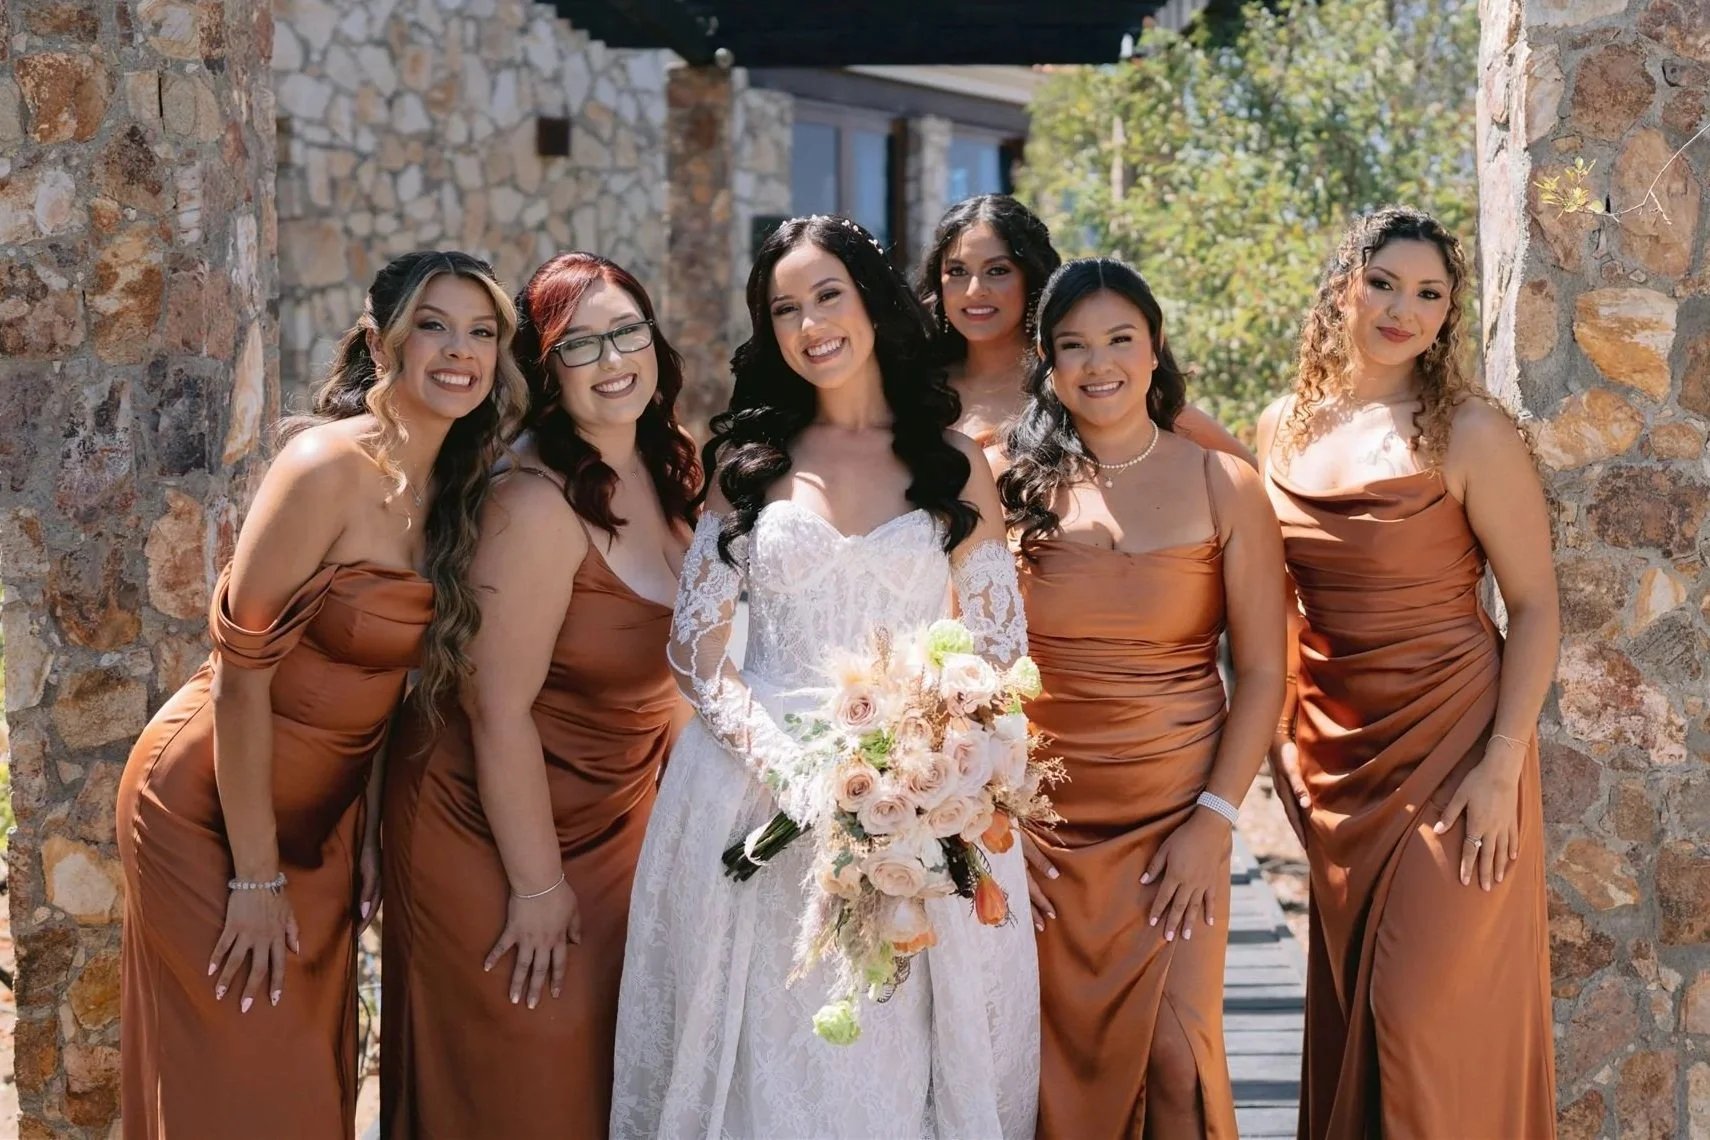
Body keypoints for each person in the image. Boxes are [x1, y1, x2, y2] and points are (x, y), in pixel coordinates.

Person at [611, 215, 1037, 1139]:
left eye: (827, 296)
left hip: (918, 797)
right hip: (750, 793)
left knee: (891, 1053)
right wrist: (792, 767)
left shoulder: (954, 461)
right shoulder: (749, 468)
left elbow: (998, 649)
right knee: (768, 1044)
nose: (810, 325)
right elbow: (696, 650)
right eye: (785, 309)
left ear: (874, 303)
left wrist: (934, 765)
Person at [117, 251, 526, 1138]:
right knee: (236, 1086)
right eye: (434, 325)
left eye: (482, 332)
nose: (460, 351)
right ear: (381, 344)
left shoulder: (457, 484)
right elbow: (239, 676)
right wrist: (254, 874)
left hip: (327, 819)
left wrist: (370, 822)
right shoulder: (323, 468)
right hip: (209, 813)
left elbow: (389, 691)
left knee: (307, 1086)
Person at [380, 253, 699, 1138]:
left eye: (627, 330)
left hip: (619, 815)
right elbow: (496, 708)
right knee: (533, 1073)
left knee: (618, 1068)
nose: (612, 359)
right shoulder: (531, 503)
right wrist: (535, 886)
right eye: (580, 344)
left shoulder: (673, 469)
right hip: (493, 825)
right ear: (546, 371)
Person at [1258, 205, 1559, 1139]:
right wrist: (1283, 767)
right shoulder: (1278, 429)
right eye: (1384, 282)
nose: (1403, 309)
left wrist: (1502, 765)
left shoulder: (1470, 433)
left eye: (1429, 294)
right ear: (1342, 286)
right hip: (1338, 764)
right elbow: (1270, 621)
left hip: (1462, 752)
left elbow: (1538, 606)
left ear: (1447, 316)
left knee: (1418, 1021)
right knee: (1362, 1026)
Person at [999, 258, 1286, 1139]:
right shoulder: (1006, 485)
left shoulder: (1223, 482)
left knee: (1175, 1061)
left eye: (1120, 339)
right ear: (1048, 365)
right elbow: (969, 662)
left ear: (1155, 347)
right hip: (1040, 835)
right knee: (1048, 1069)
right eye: (1073, 346)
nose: (1099, 363)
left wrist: (1215, 821)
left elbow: (1265, 674)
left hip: (1176, 832)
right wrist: (996, 823)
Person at [918, 193, 1250, 461]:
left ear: (1032, 279)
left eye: (997, 271)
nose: (975, 289)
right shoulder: (913, 388)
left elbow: (1247, 475)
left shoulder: (1084, 380)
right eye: (957, 271)